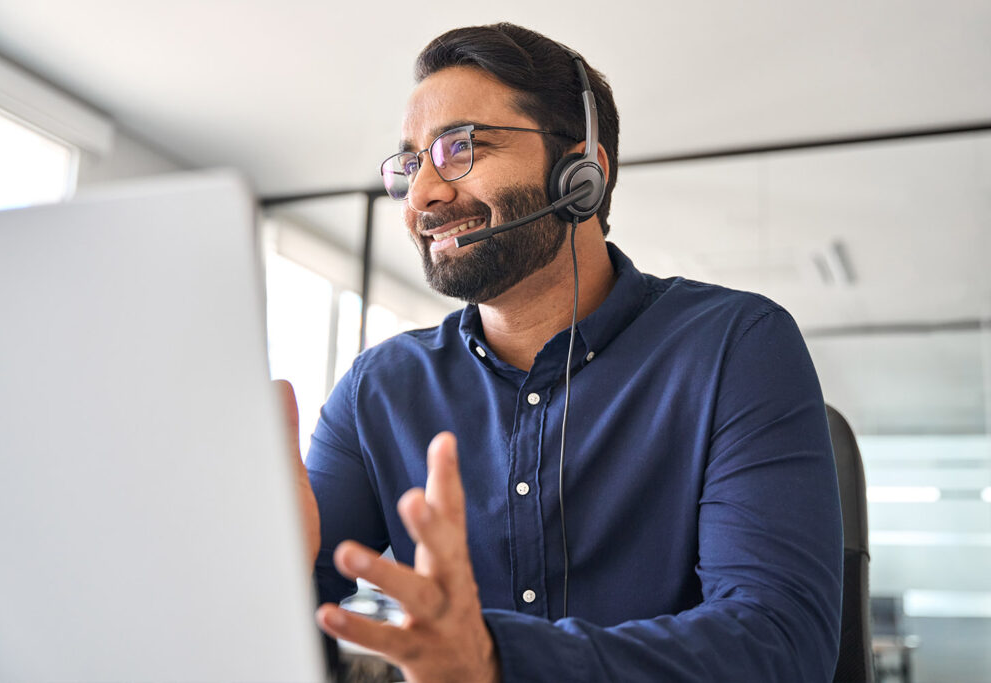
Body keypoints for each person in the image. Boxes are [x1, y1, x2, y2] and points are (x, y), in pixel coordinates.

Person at [291, 22, 843, 682]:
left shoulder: (734, 346)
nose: (423, 195)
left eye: (460, 147)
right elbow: (282, 626)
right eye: (410, 165)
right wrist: (267, 574)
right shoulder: (378, 388)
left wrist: (496, 659)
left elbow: (780, 642)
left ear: (583, 172)